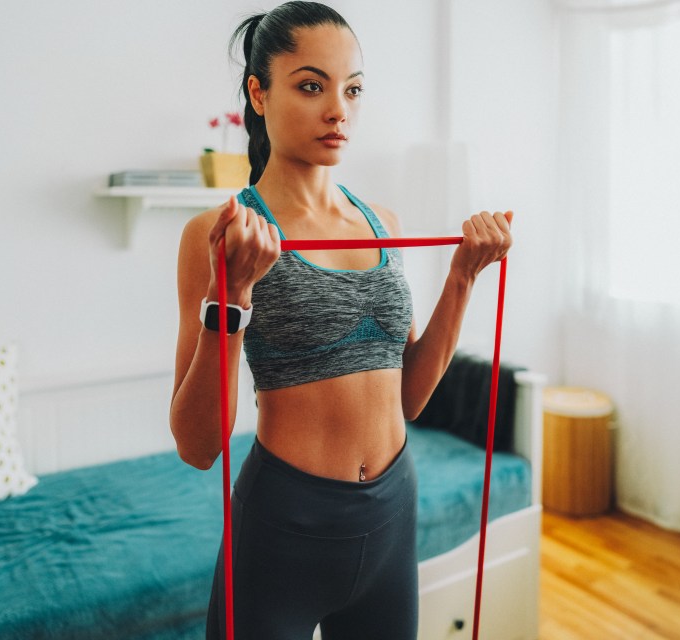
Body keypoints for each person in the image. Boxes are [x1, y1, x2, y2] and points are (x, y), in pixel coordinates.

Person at [169, 2, 512, 638]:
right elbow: (196, 447)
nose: (339, 110)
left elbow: (407, 399)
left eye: (352, 89)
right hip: (283, 530)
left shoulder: (383, 223)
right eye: (310, 85)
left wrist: (462, 277)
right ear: (259, 92)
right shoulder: (220, 234)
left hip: (392, 512)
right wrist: (232, 297)